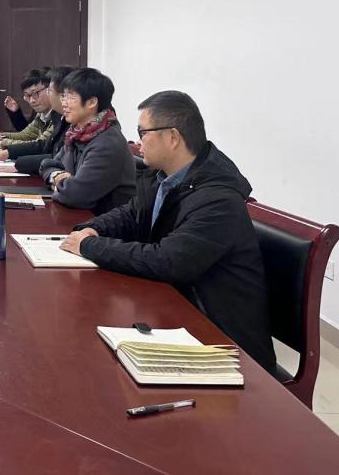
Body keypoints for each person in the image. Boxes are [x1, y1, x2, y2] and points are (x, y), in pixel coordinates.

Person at [59, 91, 276, 373]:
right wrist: (91, 229)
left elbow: (168, 260)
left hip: (222, 342)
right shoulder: (164, 177)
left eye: (143, 133)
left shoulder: (218, 198)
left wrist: (89, 246)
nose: (138, 142)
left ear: (173, 137)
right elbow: (131, 214)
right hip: (175, 311)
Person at [39, 68, 135, 214]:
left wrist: (60, 185)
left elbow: (75, 196)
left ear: (91, 102)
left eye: (71, 97)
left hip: (101, 222)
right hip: (78, 216)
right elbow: (47, 165)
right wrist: (58, 177)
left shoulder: (107, 143)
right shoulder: (76, 134)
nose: (64, 103)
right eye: (63, 96)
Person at [0, 68, 55, 156]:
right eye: (27, 96)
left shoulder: (59, 116)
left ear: (50, 90)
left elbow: (38, 146)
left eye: (35, 94)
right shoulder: (41, 114)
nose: (32, 100)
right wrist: (1, 136)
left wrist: (3, 143)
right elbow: (26, 135)